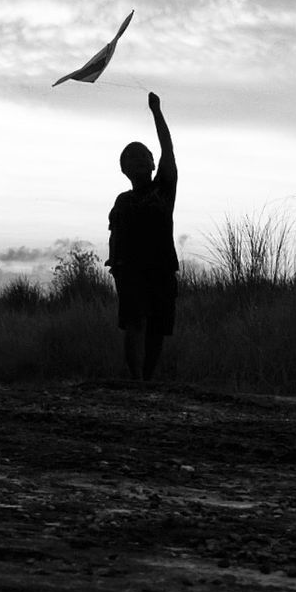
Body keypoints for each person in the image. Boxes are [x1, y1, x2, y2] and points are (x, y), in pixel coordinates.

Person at [106, 91, 178, 380]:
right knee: (134, 323)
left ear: (151, 163)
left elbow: (168, 150)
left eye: (142, 157)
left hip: (160, 268)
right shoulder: (122, 201)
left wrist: (156, 112)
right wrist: (117, 269)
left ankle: (147, 379)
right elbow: (114, 237)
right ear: (124, 170)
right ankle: (135, 380)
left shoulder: (164, 188)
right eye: (131, 159)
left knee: (157, 327)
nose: (137, 162)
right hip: (131, 271)